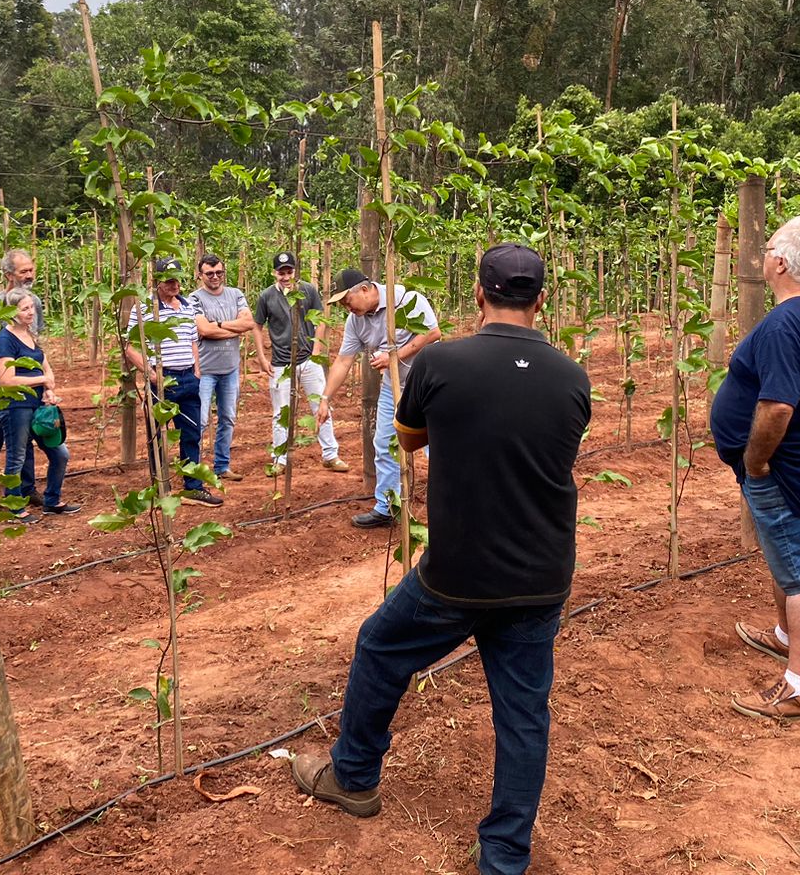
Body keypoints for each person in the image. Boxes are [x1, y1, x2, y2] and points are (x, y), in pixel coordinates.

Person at [291, 244, 590, 875]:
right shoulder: (573, 378)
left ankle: (354, 775)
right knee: (523, 710)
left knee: (379, 646)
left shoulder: (441, 362)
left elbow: (409, 437)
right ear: (541, 299)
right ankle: (505, 856)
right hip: (542, 572)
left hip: (459, 571)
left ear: (478, 295)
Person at [710, 218, 800, 721]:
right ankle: (786, 637)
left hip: (785, 468)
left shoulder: (787, 323)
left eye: (768, 247)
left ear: (781, 263)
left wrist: (756, 460)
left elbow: (777, 408)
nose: (764, 254)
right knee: (789, 558)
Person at [317, 268, 442, 528]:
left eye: (346, 300)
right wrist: (325, 398)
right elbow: (343, 361)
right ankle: (387, 507)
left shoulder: (406, 299)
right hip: (392, 388)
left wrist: (394, 356)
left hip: (429, 384)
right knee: (384, 443)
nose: (345, 307)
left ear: (364, 289)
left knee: (438, 445)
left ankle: (452, 503)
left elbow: (432, 333)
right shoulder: (355, 321)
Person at [123, 259, 218, 506]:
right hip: (163, 380)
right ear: (157, 281)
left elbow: (192, 341)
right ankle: (160, 487)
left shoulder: (187, 307)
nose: (175, 285)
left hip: (189, 378)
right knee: (157, 435)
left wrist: (196, 371)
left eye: (177, 279)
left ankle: (193, 487)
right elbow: (130, 348)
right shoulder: (145, 308)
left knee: (191, 432)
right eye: (169, 280)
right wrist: (152, 374)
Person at [253, 251, 348, 476]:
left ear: (296, 271)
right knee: (281, 412)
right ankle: (280, 459)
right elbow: (257, 326)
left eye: (289, 272)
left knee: (321, 406)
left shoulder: (308, 290)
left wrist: (316, 350)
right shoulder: (266, 296)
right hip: (280, 363)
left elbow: (320, 320)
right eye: (281, 272)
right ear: (274, 273)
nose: (286, 277)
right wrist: (261, 356)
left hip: (308, 360)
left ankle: (330, 455)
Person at [0, 289, 77, 517]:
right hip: (15, 407)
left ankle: (52, 500)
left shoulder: (30, 335)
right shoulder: (4, 340)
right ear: (11, 312)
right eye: (24, 308)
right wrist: (42, 380)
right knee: (16, 456)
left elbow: (45, 366)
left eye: (32, 307)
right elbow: (7, 380)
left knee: (60, 454)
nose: (31, 312)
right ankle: (14, 507)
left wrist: (49, 389)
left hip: (39, 406)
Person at [190, 255, 255, 484]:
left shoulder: (236, 294)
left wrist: (216, 325)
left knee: (228, 418)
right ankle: (194, 471)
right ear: (200, 275)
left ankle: (222, 466)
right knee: (200, 421)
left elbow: (248, 323)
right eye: (209, 273)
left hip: (230, 369)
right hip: (205, 370)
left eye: (219, 272)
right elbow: (203, 330)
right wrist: (231, 328)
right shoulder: (194, 299)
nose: (215, 277)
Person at [0, 249, 41, 502]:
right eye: (23, 271)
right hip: (2, 388)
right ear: (8, 275)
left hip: (30, 385)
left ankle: (26, 490)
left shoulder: (34, 302)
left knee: (25, 438)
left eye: (31, 270)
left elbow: (37, 340)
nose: (29, 275)